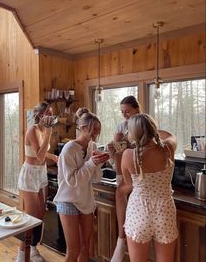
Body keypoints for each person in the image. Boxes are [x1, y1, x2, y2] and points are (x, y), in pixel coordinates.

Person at [53, 107, 110, 262]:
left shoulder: (92, 147)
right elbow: (72, 181)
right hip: (68, 200)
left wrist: (99, 164)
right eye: (94, 129)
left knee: (86, 247)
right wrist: (91, 163)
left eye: (98, 130)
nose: (96, 133)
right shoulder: (69, 149)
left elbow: (95, 179)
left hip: (85, 200)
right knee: (73, 251)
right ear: (82, 128)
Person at [122, 113, 178, 262]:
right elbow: (171, 135)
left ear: (133, 134)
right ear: (153, 130)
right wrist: (152, 130)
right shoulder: (168, 149)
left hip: (138, 210)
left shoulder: (128, 155)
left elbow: (129, 184)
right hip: (164, 210)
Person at [16, 102, 58, 262]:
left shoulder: (42, 130)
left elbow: (41, 152)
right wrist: (49, 132)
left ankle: (32, 250)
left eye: (52, 113)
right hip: (30, 174)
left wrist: (52, 156)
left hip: (41, 173)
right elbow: (39, 155)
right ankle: (21, 254)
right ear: (40, 116)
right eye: (48, 112)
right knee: (31, 215)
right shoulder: (32, 130)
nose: (51, 116)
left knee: (40, 214)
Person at [110, 96, 141, 262]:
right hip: (123, 168)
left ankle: (123, 242)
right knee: (119, 192)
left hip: (141, 170)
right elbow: (118, 151)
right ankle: (121, 241)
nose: (125, 115)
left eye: (127, 111)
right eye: (122, 112)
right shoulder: (121, 126)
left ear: (137, 109)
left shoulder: (143, 124)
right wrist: (114, 143)